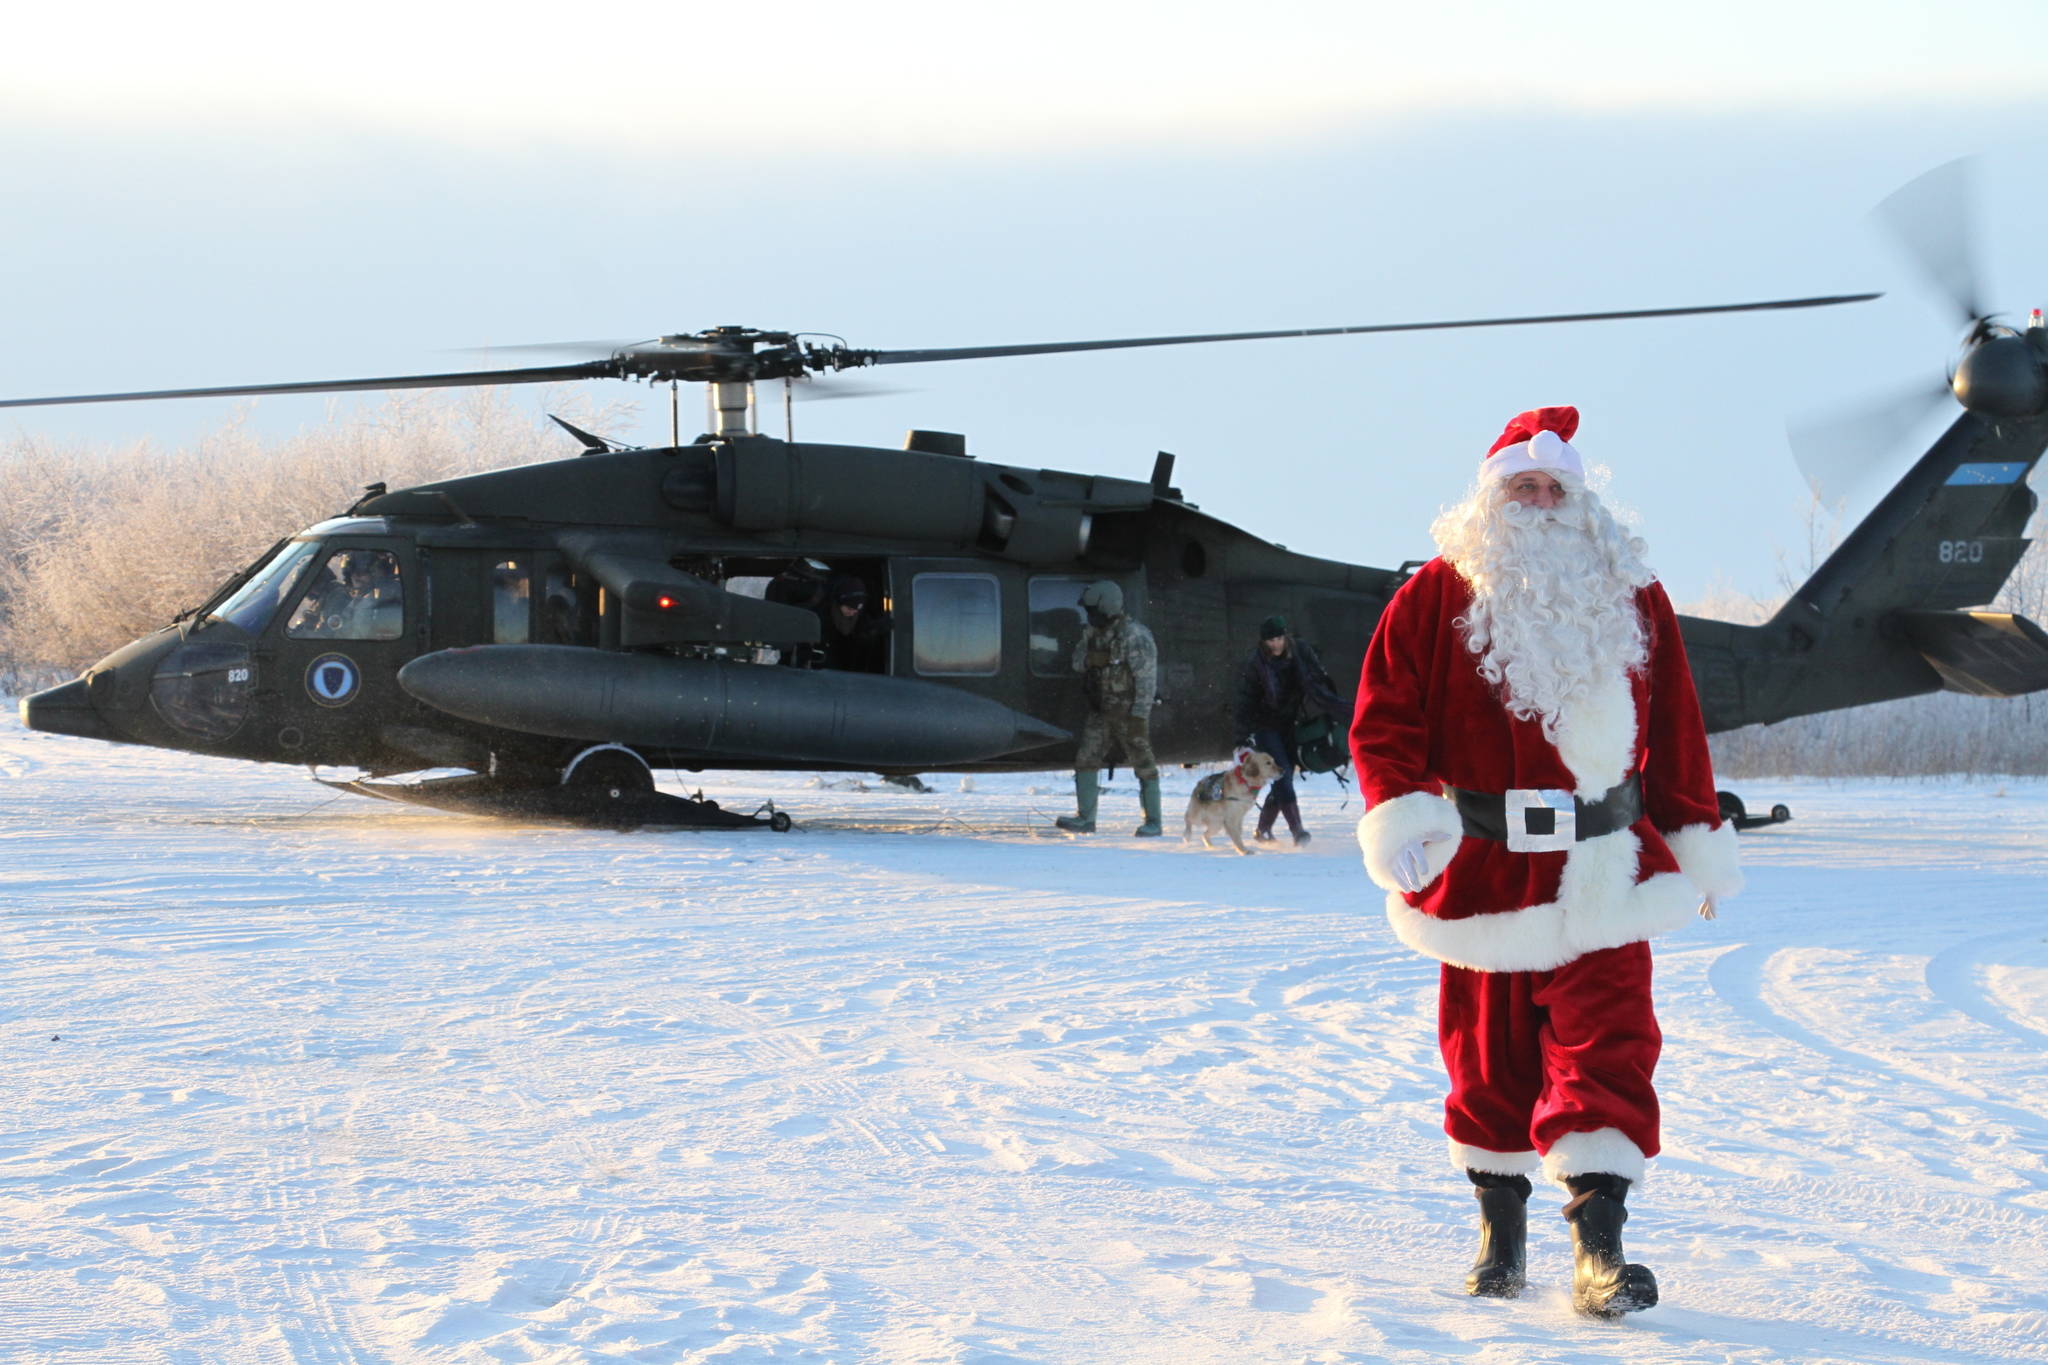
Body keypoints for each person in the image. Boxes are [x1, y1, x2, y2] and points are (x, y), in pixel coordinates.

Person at [1349, 406, 1743, 1317]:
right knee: (1485, 1061)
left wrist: (1695, 844)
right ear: (1490, 499)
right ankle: (1500, 1233)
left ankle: (1599, 1252)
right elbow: (1386, 715)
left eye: (1552, 487)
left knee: (1609, 1050)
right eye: (1520, 486)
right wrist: (1401, 815)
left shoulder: (1631, 593)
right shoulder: (1437, 595)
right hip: (1486, 868)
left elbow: (1678, 725)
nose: (1537, 500)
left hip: (1607, 861)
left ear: (1578, 502)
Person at [1054, 580, 1162, 836]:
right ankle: (1085, 818)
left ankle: (1154, 822)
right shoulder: (1092, 634)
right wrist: (1092, 658)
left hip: (1128, 712)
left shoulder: (1135, 636)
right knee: (1086, 760)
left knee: (1144, 764)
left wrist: (1139, 716)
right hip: (1101, 710)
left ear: (1107, 607)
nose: (1090, 616)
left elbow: (1146, 680)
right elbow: (1077, 663)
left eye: (1093, 610)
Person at [1232, 615, 1343, 846]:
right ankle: (1297, 831)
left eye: (1280, 638)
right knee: (1281, 774)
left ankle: (1263, 830)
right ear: (1264, 642)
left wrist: (1336, 708)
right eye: (1271, 640)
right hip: (1264, 725)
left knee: (1285, 774)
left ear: (1286, 636)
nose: (1276, 644)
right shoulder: (1256, 663)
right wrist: (1241, 737)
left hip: (1289, 723)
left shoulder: (1300, 651)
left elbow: (1318, 679)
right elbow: (1244, 700)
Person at [814, 574, 891, 672]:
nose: (853, 613)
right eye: (849, 608)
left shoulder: (861, 619)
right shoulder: (821, 615)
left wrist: (869, 634)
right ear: (839, 601)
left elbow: (857, 641)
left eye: (856, 610)